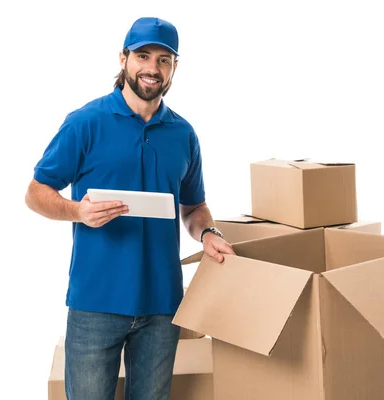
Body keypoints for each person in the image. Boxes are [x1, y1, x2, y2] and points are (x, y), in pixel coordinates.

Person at [25, 17, 234, 400]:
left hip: (163, 306)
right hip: (96, 303)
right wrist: (77, 212)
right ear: (123, 59)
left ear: (174, 67)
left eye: (164, 60)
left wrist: (207, 233)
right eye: (143, 56)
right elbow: (36, 192)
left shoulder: (183, 134)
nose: (153, 68)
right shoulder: (85, 123)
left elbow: (194, 206)